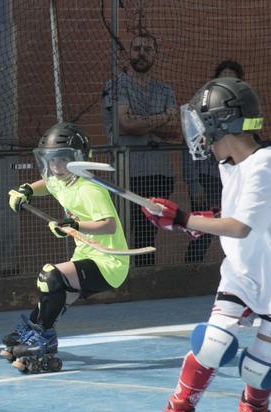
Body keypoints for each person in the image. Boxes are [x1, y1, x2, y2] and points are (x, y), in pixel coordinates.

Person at [143, 78, 271, 412]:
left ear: (223, 124)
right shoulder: (230, 164)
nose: (198, 133)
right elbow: (234, 216)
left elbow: (240, 226)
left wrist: (185, 217)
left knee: (259, 366)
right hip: (243, 269)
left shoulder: (266, 165)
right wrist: (186, 223)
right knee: (212, 343)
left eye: (203, 123)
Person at [3, 122, 130, 373]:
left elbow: (109, 226)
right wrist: (27, 190)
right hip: (86, 255)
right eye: (50, 160)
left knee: (50, 276)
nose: (55, 167)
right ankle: (33, 331)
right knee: (51, 297)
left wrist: (74, 224)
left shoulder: (90, 188)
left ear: (78, 159)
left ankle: (43, 339)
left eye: (61, 160)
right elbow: (46, 183)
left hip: (109, 262)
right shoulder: (61, 179)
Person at [102, 30, 178, 266]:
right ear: (129, 53)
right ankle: (122, 277)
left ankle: (146, 275)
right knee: (125, 226)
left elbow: (175, 130)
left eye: (147, 49)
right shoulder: (116, 85)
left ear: (155, 54)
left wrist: (142, 123)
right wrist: (161, 118)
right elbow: (125, 125)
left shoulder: (165, 90)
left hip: (159, 172)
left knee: (148, 230)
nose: (141, 54)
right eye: (137, 49)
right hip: (128, 172)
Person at [182, 60, 244, 262]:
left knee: (235, 226)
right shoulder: (202, 108)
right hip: (207, 179)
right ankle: (191, 268)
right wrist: (194, 183)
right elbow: (189, 147)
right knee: (203, 230)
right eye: (222, 76)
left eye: (232, 78)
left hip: (234, 178)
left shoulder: (244, 110)